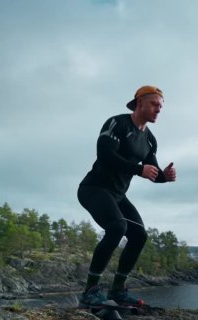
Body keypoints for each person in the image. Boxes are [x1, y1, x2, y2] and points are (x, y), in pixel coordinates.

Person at [77, 85, 176, 308]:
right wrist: (137, 169)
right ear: (140, 103)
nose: (158, 110)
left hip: (117, 195)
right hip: (94, 189)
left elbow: (152, 172)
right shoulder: (117, 123)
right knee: (117, 227)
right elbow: (104, 155)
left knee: (139, 235)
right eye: (154, 104)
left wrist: (165, 177)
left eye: (161, 106)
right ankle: (90, 291)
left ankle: (118, 291)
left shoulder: (150, 139)